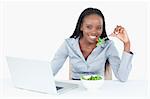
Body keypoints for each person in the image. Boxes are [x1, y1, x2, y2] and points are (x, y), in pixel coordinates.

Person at [51, 7, 133, 82]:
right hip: (76, 89)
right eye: (89, 27)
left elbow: (122, 77)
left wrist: (127, 43)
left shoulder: (108, 46)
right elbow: (51, 71)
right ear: (81, 27)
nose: (94, 32)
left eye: (99, 27)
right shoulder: (68, 44)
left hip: (98, 89)